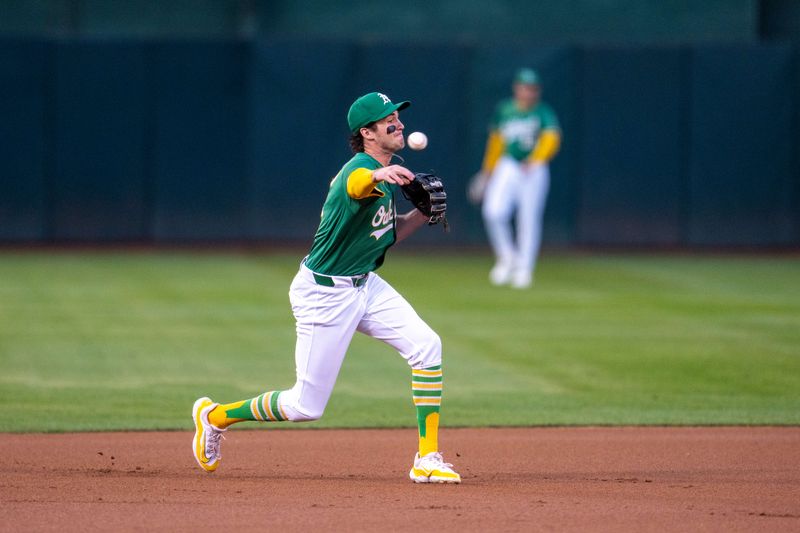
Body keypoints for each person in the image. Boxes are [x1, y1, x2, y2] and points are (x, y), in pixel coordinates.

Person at [192, 91, 461, 484]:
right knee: (305, 406)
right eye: (389, 120)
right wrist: (376, 174)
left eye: (398, 117)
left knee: (427, 346)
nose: (399, 124)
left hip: (365, 283)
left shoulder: (384, 175)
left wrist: (421, 215)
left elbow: (385, 234)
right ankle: (215, 416)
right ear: (367, 133)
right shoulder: (359, 171)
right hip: (325, 293)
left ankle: (427, 458)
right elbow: (354, 185)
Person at [469, 68, 561, 288]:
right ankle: (507, 257)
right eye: (524, 87)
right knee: (493, 211)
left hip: (533, 168)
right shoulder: (505, 110)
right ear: (517, 88)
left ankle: (524, 268)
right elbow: (496, 142)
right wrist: (487, 171)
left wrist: (537, 159)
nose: (528, 92)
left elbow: (552, 138)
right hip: (508, 165)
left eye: (532, 88)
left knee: (528, 219)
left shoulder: (542, 111)